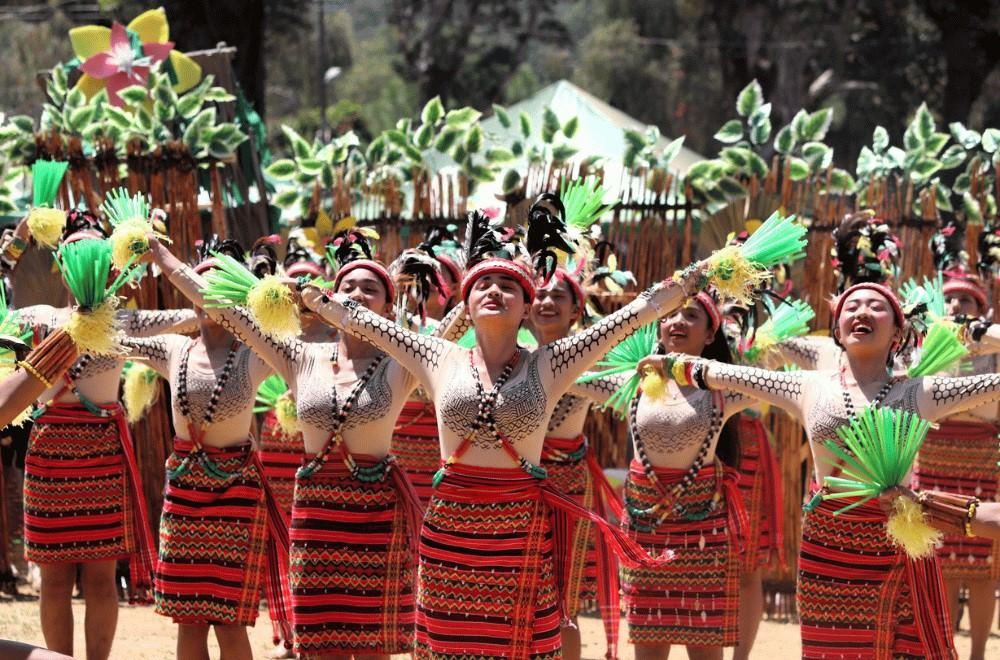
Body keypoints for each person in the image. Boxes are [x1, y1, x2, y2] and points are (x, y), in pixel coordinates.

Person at [296, 204, 705, 659]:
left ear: (527, 304)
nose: (495, 291)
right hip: (450, 532)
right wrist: (316, 300)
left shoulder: (550, 364)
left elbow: (630, 317)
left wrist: (691, 280)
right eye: (483, 284)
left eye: (509, 285)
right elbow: (361, 321)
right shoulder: (437, 357)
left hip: (519, 529)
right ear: (466, 305)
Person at [147, 229, 465, 659]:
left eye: (370, 289)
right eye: (347, 285)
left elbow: (455, 325)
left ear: (388, 306)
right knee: (318, 643)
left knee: (372, 645)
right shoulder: (299, 356)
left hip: (376, 511)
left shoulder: (405, 362)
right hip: (315, 513)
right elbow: (225, 308)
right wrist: (166, 259)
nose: (357, 293)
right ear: (330, 296)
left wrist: (482, 279)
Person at [643, 281, 1000, 659]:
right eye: (852, 306)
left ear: (898, 331)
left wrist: (984, 330)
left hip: (891, 544)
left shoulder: (919, 392)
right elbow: (731, 375)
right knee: (828, 649)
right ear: (837, 329)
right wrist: (673, 365)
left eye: (876, 307)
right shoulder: (809, 386)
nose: (862, 312)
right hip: (824, 548)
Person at [13, 215, 197, 660]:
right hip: (49, 454)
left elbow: (202, 313)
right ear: (62, 267)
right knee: (54, 577)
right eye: (76, 255)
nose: (87, 264)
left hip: (102, 454)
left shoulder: (126, 323)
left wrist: (161, 254)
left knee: (100, 574)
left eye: (97, 256)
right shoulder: (36, 319)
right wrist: (16, 243)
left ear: (112, 269)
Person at [126, 237, 290, 660]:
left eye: (217, 288)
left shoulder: (256, 355)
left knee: (230, 620)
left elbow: (295, 330)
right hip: (184, 493)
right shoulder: (173, 348)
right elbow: (115, 334)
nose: (204, 297)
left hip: (236, 493)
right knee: (189, 620)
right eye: (197, 286)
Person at [575, 291, 749, 660]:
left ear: (709, 336)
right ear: (658, 327)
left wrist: (688, 369)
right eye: (670, 314)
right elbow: (570, 375)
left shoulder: (724, 393)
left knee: (704, 648)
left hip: (703, 533)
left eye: (691, 316)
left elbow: (765, 381)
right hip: (645, 528)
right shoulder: (631, 386)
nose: (678, 322)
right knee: (649, 645)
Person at [527, 268, 625, 660]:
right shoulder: (510, 356)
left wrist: (565, 372)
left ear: (575, 313)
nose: (547, 302)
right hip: (514, 483)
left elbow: (620, 391)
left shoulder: (588, 360)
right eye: (540, 295)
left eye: (558, 297)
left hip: (565, 485)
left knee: (562, 600)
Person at [913, 266, 999, 660]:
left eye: (965, 299)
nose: (955, 305)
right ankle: (946, 649)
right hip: (935, 451)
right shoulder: (926, 343)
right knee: (943, 560)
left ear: (981, 309)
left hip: (982, 453)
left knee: (982, 565)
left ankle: (980, 653)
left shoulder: (994, 344)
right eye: (950, 298)